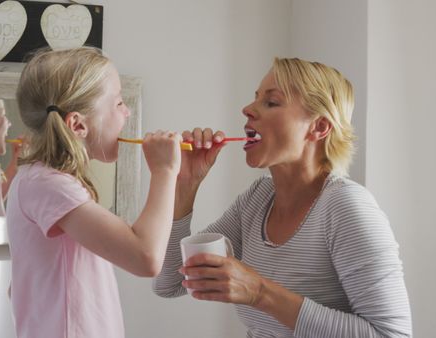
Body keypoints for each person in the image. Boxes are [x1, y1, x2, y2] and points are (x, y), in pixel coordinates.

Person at [153, 57, 412, 337]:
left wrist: (259, 292)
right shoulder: (257, 199)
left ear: (319, 127)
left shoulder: (346, 207)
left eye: (271, 102)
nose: (247, 110)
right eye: (255, 99)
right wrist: (186, 185)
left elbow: (392, 334)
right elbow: (169, 283)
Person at [7, 47, 181, 338]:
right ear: (78, 124)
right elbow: (146, 257)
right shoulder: (48, 185)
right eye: (118, 103)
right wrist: (164, 172)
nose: (127, 112)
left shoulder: (40, 182)